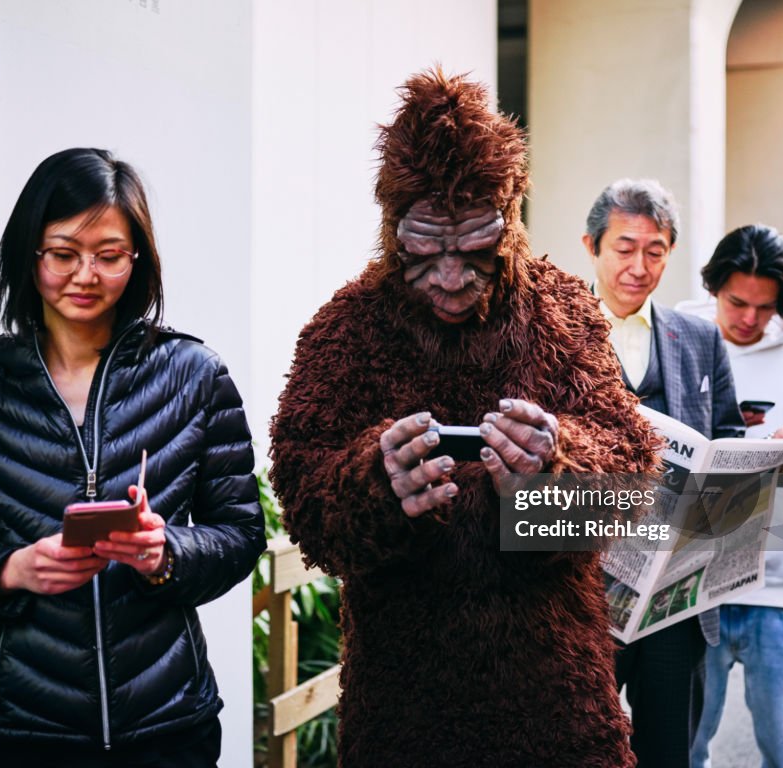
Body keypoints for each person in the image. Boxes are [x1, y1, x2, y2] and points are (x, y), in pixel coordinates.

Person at [269, 69, 664, 767]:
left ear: (508, 221)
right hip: (402, 708)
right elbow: (303, 494)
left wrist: (554, 466)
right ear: (394, 231)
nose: (451, 278)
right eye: (426, 251)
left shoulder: (563, 311)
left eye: (473, 249)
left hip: (557, 700)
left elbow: (632, 480)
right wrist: (375, 484)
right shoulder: (347, 329)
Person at [0, 148, 266, 767]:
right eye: (63, 253)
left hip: (167, 727)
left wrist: (165, 553)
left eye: (110, 255)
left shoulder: (195, 376)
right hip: (5, 732)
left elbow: (241, 533)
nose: (86, 274)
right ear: (28, 255)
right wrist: (11, 571)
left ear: (138, 259)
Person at [583, 178, 746, 767]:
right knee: (578, 750)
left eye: (655, 250)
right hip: (584, 592)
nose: (639, 265)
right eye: (624, 248)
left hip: (676, 597)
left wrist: (763, 454)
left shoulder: (699, 337)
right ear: (592, 247)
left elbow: (726, 435)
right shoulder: (554, 334)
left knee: (669, 753)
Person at [679, 224, 783, 768]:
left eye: (765, 306)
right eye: (737, 302)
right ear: (713, 287)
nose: (750, 318)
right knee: (681, 752)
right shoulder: (680, 344)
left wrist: (758, 526)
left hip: (779, 595)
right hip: (692, 592)